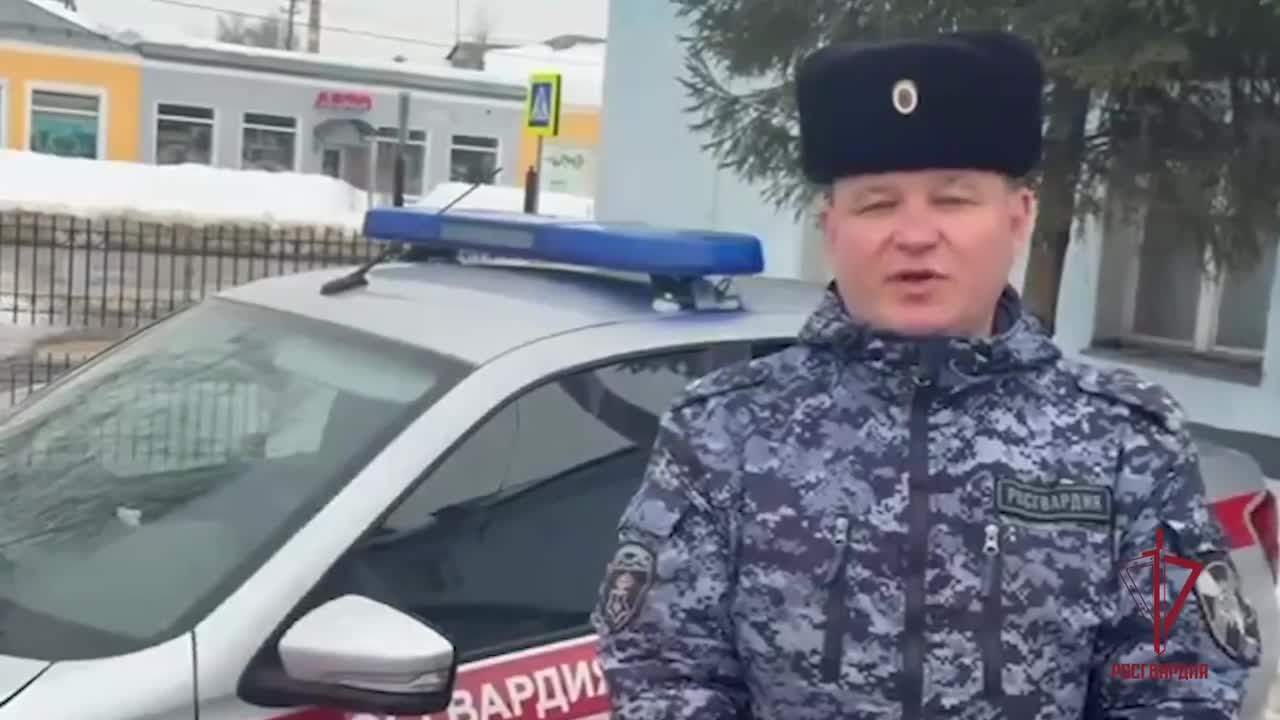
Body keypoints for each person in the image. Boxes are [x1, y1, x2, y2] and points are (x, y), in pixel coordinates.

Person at [589, 29, 1263, 720]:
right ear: (832, 228)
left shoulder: (1125, 440)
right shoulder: (722, 432)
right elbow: (664, 671)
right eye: (877, 204)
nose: (914, 235)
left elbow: (1179, 679)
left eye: (953, 199)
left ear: (1018, 217)